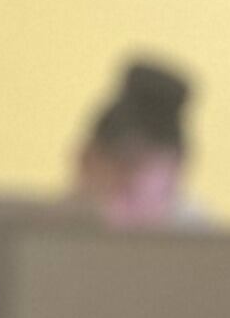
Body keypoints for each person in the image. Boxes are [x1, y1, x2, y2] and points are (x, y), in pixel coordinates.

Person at [70, 55, 198, 229]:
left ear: (176, 170)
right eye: (117, 158)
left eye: (142, 165)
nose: (128, 176)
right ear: (86, 160)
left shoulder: (199, 235)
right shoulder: (48, 229)